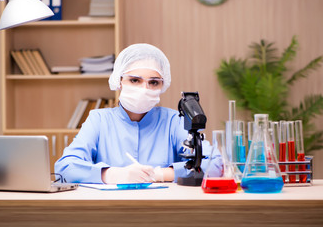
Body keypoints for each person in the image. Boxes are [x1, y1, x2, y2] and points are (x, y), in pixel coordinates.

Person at [55, 43, 222, 184]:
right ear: (119, 80)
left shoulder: (173, 121)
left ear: (162, 86)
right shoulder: (99, 120)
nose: (144, 89)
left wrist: (160, 174)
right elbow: (65, 168)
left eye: (153, 82)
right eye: (135, 80)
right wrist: (112, 174)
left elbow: (215, 164)